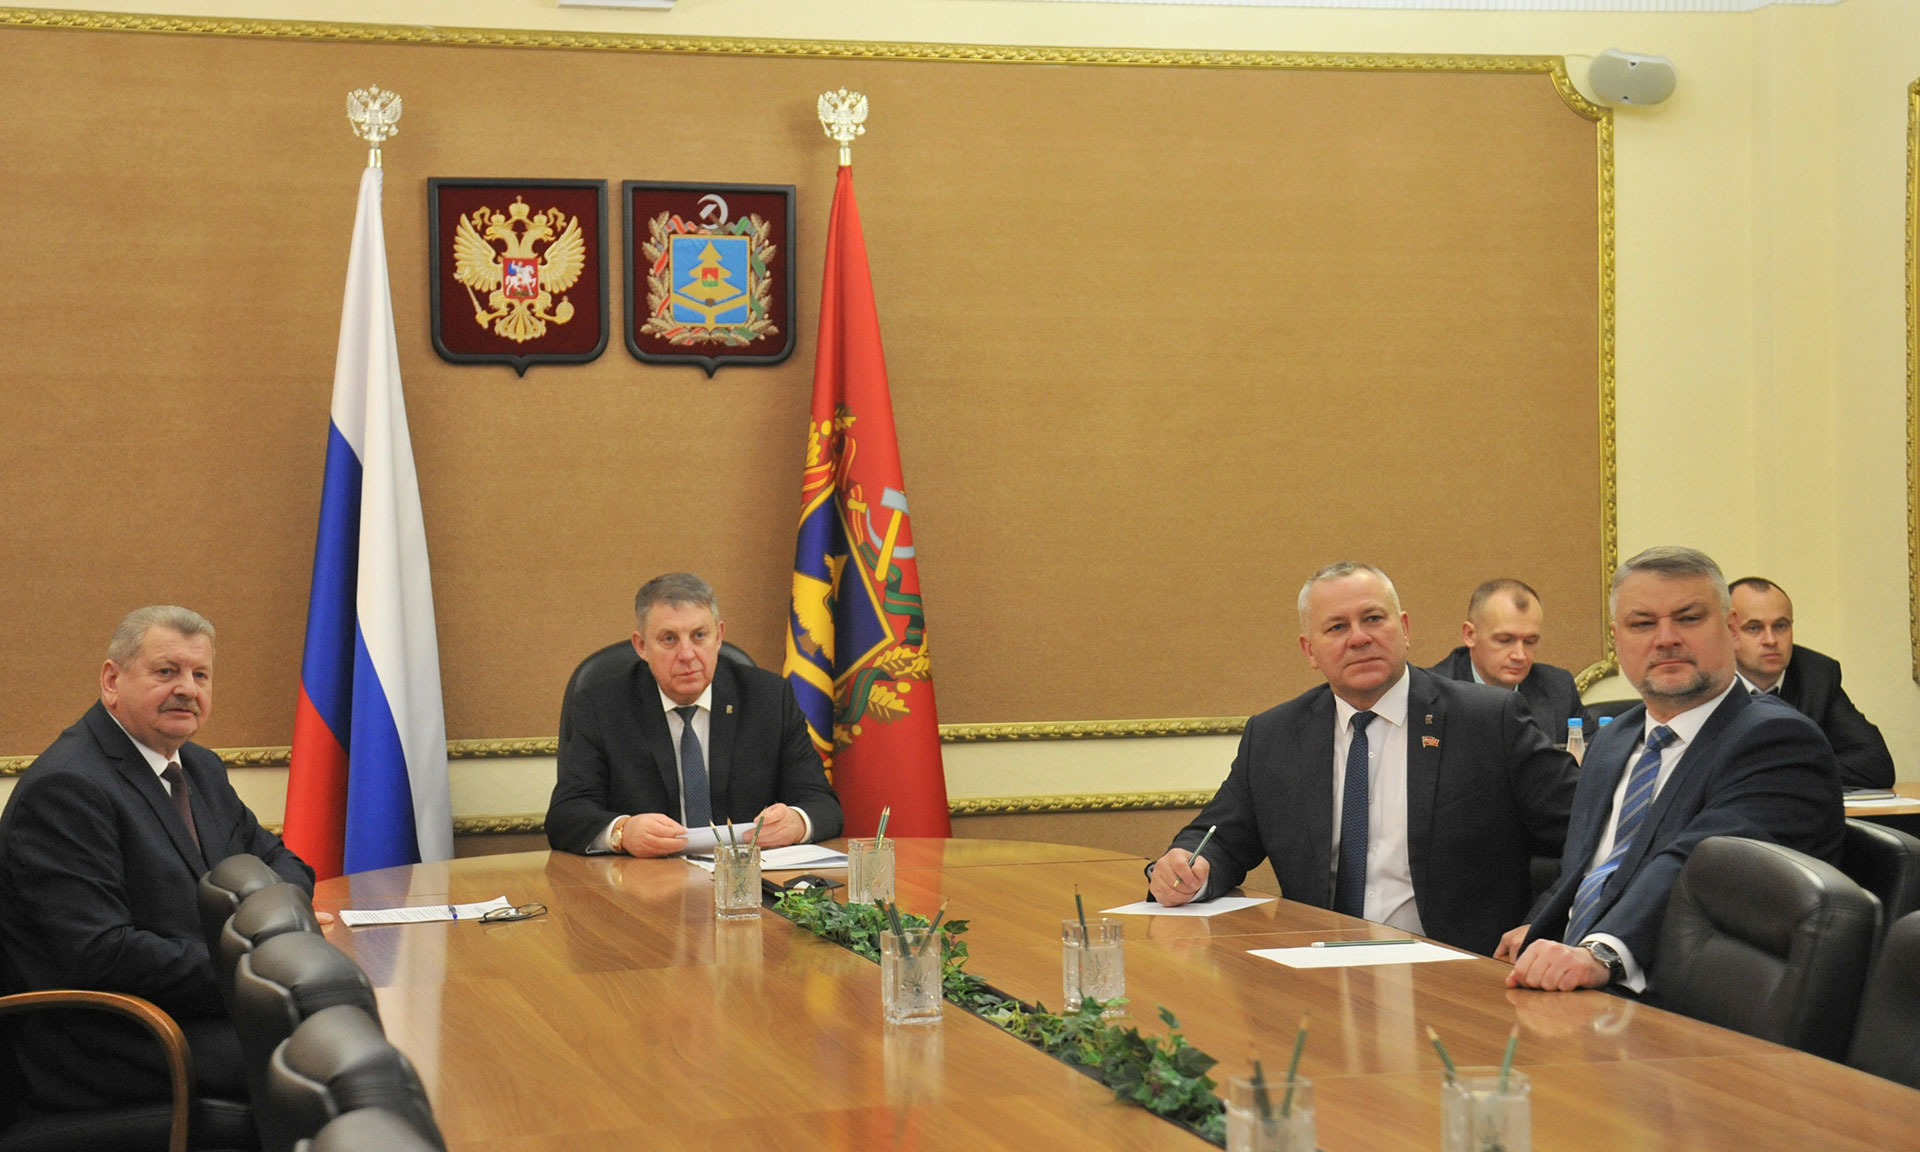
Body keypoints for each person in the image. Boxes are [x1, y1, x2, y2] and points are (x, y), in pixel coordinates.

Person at [1147, 562, 1579, 956]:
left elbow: (1589, 831)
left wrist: (1540, 924)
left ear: (1404, 629)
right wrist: (1187, 867)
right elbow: (1218, 837)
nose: (1359, 638)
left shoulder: (1488, 721)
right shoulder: (1275, 736)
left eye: (1373, 619)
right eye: (1337, 627)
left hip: (1460, 970)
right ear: (1309, 651)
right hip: (1317, 967)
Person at [0, 606, 315, 1112]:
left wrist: (272, 939)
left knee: (344, 1033)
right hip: (114, 1041)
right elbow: (101, 955)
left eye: (200, 675)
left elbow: (283, 863)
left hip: (197, 1010)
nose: (187, 689)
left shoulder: (201, 769)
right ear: (112, 681)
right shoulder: (67, 788)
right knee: (316, 1066)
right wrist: (252, 964)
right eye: (166, 671)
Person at [1499, 547, 1844, 994]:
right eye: (1643, 624)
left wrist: (1599, 953)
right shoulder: (1613, 741)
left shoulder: (1777, 741)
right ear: (1617, 638)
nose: (1665, 639)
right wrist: (1537, 930)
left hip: (1681, 1003)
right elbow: (1587, 871)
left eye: (1688, 618)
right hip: (1576, 990)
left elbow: (1694, 867)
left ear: (1731, 628)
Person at [547, 572, 843, 857]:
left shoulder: (768, 698)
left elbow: (823, 804)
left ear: (719, 636)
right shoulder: (602, 707)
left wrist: (796, 822)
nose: (687, 654)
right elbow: (565, 815)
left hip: (745, 879)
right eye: (669, 639)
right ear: (641, 646)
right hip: (646, 879)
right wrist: (623, 832)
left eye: (699, 635)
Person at [1728, 576, 1895, 790]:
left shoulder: (1816, 676)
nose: (1771, 640)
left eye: (1780, 626)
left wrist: (1782, 774)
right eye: (1753, 628)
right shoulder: (1706, 681)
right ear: (1728, 632)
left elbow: (1877, 763)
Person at [1428, 578, 1593, 742]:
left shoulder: (1558, 689)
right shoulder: (1431, 694)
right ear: (1470, 635)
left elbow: (1591, 755)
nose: (1520, 655)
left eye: (1530, 641)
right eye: (1505, 640)